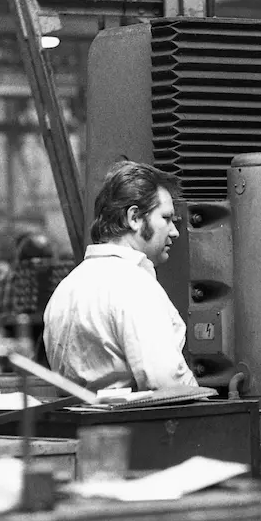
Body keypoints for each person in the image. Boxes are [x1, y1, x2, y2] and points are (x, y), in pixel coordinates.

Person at [42, 161, 198, 391]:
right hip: (136, 415)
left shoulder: (67, 288)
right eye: (166, 218)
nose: (174, 231)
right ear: (134, 218)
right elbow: (168, 385)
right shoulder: (135, 287)